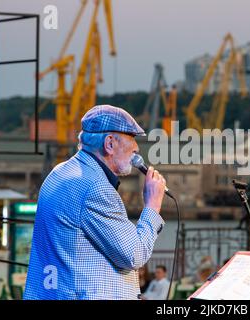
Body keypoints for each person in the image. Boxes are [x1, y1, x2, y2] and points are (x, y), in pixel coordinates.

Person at [24, 105, 166, 300]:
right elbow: (134, 255)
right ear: (109, 144)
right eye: (131, 139)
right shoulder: (95, 188)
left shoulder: (59, 172)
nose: (136, 148)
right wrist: (152, 206)